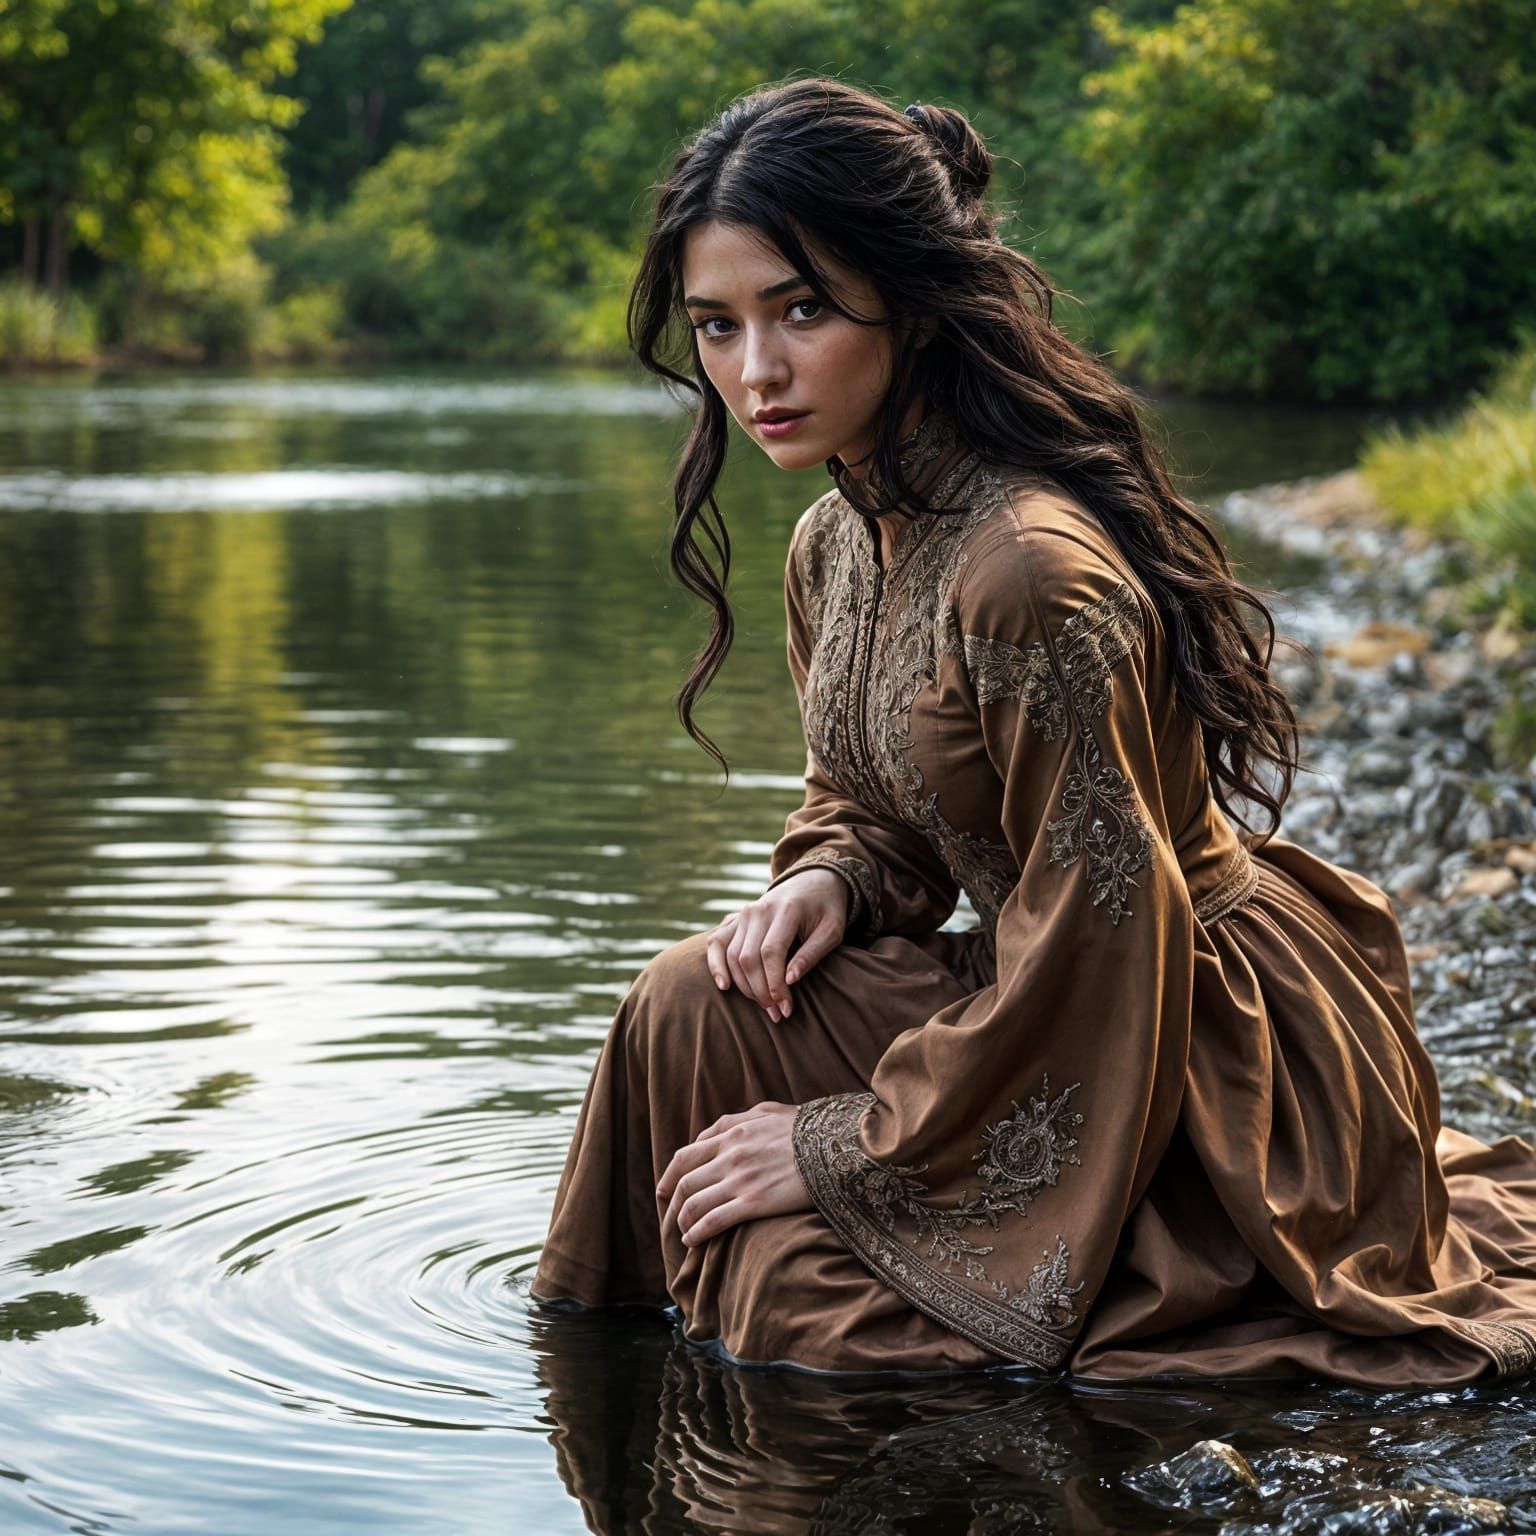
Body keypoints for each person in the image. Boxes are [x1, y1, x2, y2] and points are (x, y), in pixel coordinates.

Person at [529, 77, 1536, 1382]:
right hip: (1048, 975)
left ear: (914, 300)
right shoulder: (838, 541)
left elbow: (1106, 939)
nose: (755, 373)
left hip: (1185, 1029)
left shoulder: (1028, 573)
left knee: (783, 1291)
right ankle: (586, 1374)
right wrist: (834, 874)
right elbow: (869, 799)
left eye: (802, 311)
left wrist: (841, 1145)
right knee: (687, 1005)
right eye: (717, 327)